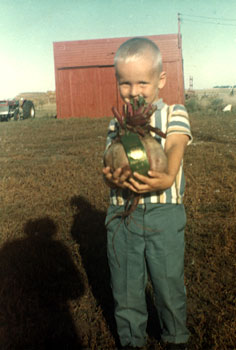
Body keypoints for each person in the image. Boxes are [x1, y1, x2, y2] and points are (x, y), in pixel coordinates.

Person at [102, 37, 192, 350]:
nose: (134, 91)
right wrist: (110, 176)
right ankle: (131, 340)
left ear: (161, 81)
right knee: (125, 285)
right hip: (122, 212)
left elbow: (175, 144)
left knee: (167, 281)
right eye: (125, 83)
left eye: (143, 81)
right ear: (117, 83)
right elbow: (112, 161)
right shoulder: (117, 124)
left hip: (163, 213)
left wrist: (167, 176)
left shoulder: (174, 113)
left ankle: (176, 336)